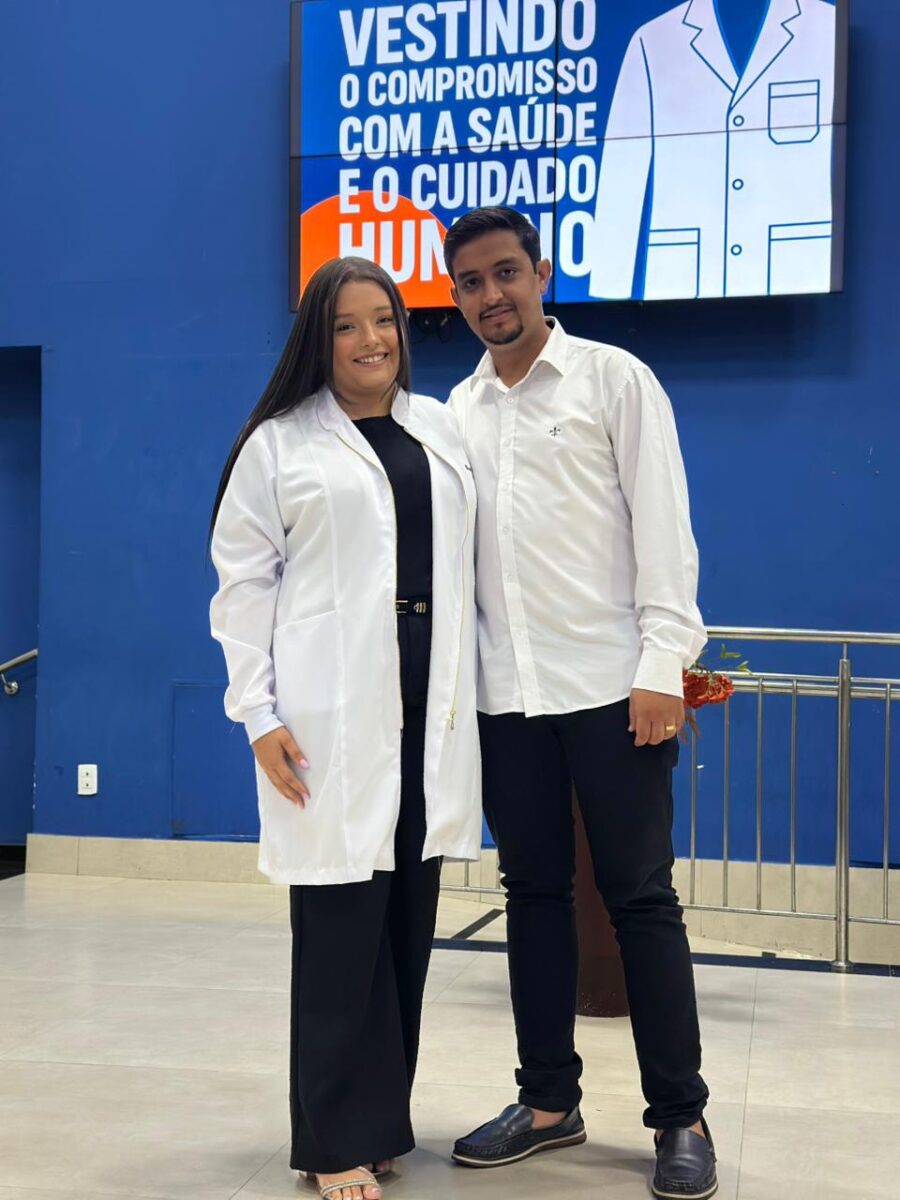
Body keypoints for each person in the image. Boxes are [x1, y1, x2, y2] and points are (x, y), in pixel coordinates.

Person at [443, 207, 717, 1200]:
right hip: (508, 699)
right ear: (457, 296)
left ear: (541, 273)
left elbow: (664, 529)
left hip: (614, 690)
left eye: (506, 273)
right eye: (471, 282)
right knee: (532, 896)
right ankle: (548, 1103)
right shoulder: (458, 413)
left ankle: (680, 1115)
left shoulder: (614, 380)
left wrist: (663, 664)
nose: (492, 295)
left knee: (642, 899)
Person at [209, 257, 481, 1200]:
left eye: (386, 320)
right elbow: (243, 587)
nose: (372, 340)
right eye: (347, 325)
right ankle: (331, 1140)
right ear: (316, 341)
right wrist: (258, 714)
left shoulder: (440, 429)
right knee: (338, 934)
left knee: (406, 928)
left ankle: (380, 1124)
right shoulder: (279, 444)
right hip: (330, 718)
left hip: (427, 709)